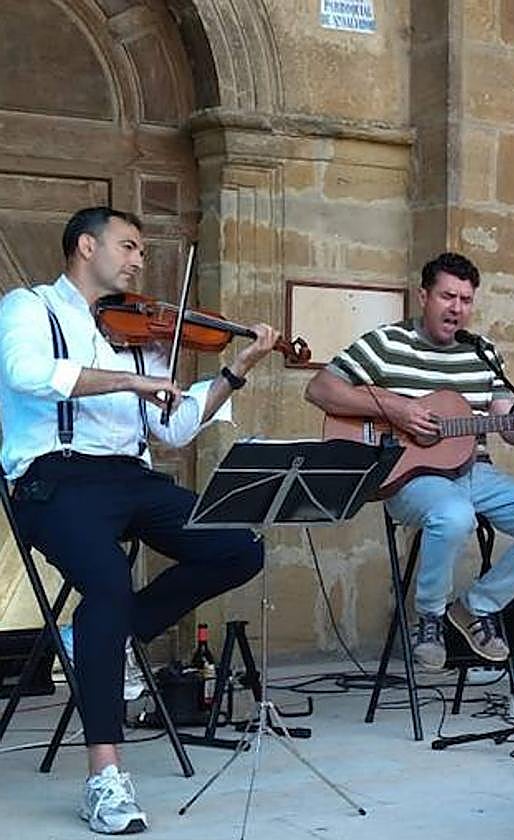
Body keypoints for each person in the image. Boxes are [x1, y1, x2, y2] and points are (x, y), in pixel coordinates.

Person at [0, 207, 277, 834]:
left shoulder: (139, 334)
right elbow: (26, 373)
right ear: (85, 246)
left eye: (143, 252)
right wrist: (129, 377)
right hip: (55, 478)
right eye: (128, 247)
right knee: (105, 586)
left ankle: (119, 633)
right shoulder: (29, 308)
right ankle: (105, 776)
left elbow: (172, 428)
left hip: (132, 477)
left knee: (239, 547)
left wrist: (235, 371)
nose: (138, 260)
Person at [304, 252, 514, 670]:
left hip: (475, 473)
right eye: (448, 296)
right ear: (423, 296)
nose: (457, 309)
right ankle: (429, 616)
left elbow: (507, 425)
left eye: (466, 300)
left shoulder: (481, 352)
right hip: (407, 478)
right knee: (454, 515)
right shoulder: (387, 343)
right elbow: (321, 389)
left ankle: (474, 608)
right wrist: (397, 410)